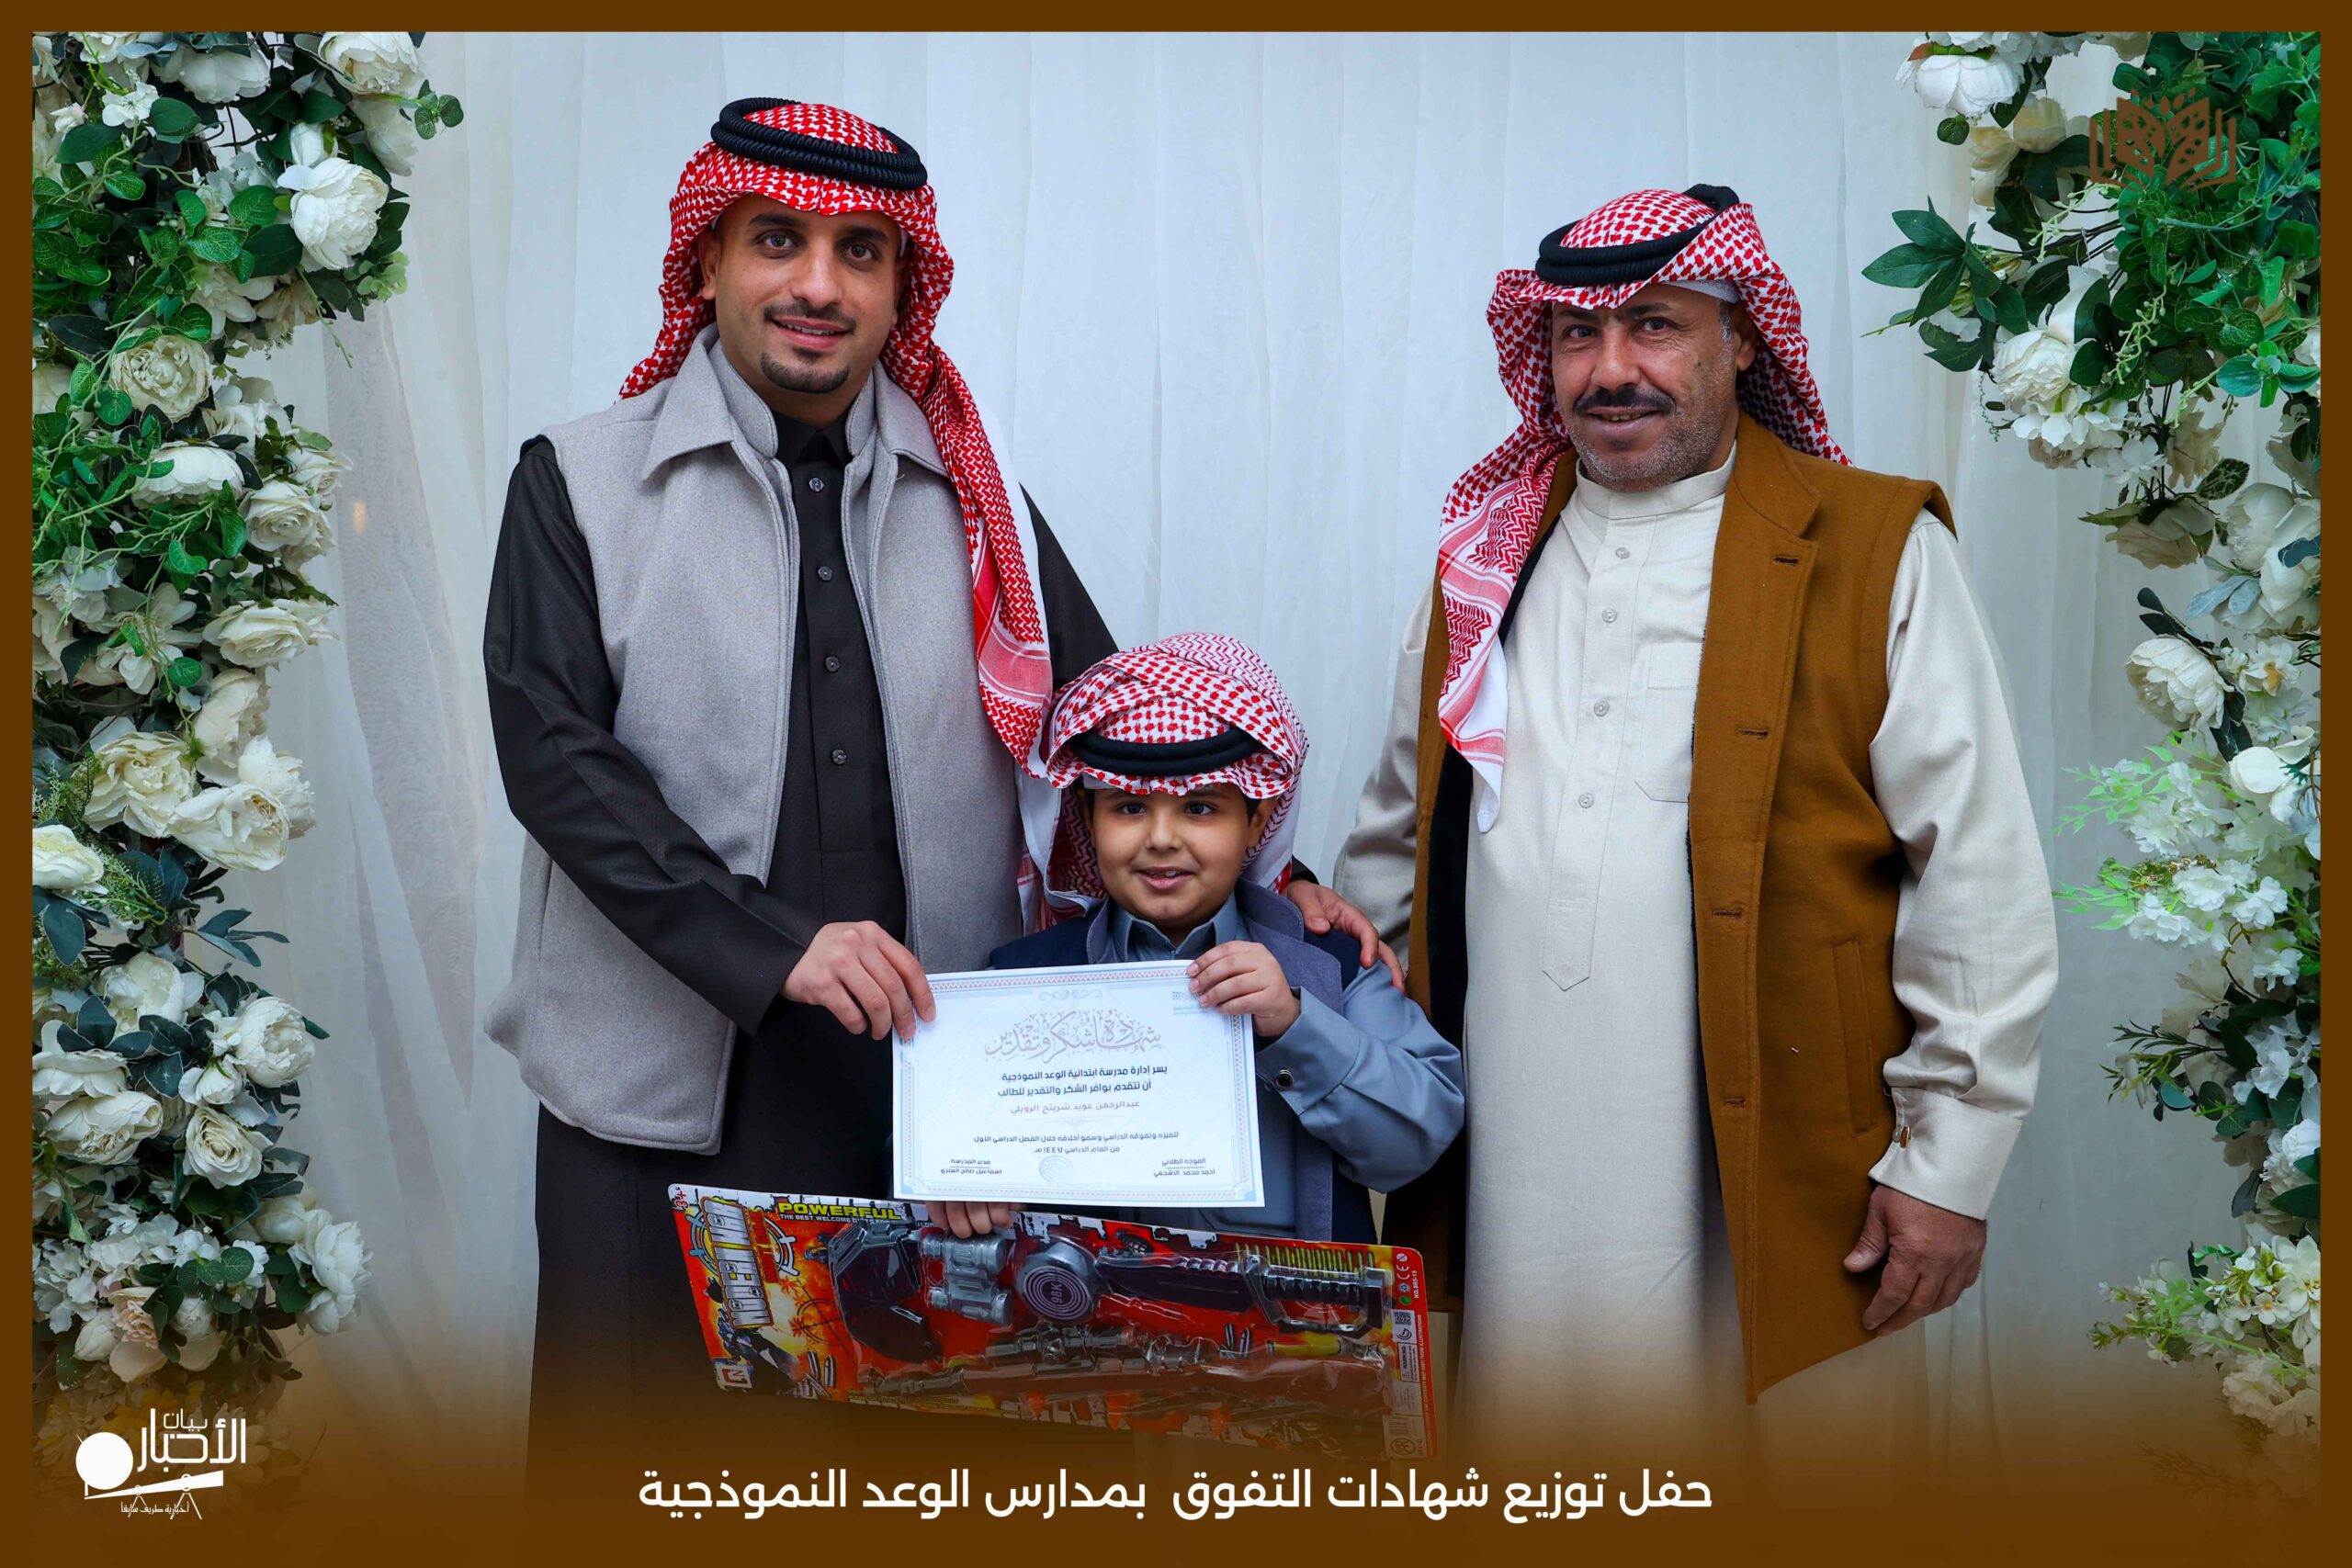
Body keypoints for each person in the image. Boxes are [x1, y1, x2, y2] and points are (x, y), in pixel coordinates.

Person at [480, 99, 1389, 1485]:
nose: (817, 285)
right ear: (707, 259)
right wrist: (778, 944)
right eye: (776, 241)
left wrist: (1283, 882)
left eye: (860, 251)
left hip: (933, 1092)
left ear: (902, 284)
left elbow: (1118, 726)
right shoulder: (582, 481)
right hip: (660, 1086)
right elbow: (554, 758)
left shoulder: (973, 492)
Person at [1333, 185, 2059, 1456]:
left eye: (1656, 326)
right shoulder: (1481, 561)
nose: (1610, 370)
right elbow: (1392, 850)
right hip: (1506, 1165)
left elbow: (1978, 877)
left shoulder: (1874, 547)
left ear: (1744, 338)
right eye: (1577, 334)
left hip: (1785, 1164)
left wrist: (1949, 1163)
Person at [978, 634, 1464, 1245]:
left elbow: (1421, 1140)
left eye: (1200, 808)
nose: (1162, 838)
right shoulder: (1019, 982)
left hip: (1290, 1309)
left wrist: (1295, 1027)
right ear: (1087, 818)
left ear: (1256, 820)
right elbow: (940, 1148)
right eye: (1129, 807)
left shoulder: (1333, 968)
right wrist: (963, 1183)